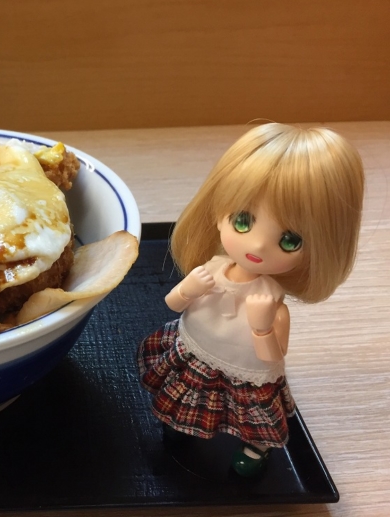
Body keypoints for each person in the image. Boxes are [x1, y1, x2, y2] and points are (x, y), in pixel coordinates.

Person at [138, 123, 365, 477]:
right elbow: (172, 304)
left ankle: (257, 446)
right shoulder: (211, 269)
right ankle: (182, 422)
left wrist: (262, 326)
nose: (258, 245)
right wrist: (188, 289)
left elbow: (273, 359)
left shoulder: (272, 303)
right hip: (198, 349)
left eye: (289, 240)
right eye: (243, 221)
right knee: (187, 394)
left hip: (245, 371)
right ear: (218, 214)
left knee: (250, 415)